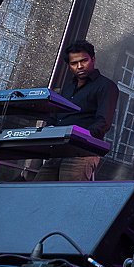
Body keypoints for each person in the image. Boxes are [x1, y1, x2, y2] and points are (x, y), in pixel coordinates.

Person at [34, 40, 119, 181]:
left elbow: (103, 123)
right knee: (38, 189)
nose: (80, 66)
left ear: (93, 59)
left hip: (82, 152)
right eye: (74, 63)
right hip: (58, 149)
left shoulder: (106, 86)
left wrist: (80, 137)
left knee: (69, 192)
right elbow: (55, 116)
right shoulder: (67, 88)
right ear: (69, 66)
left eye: (84, 61)